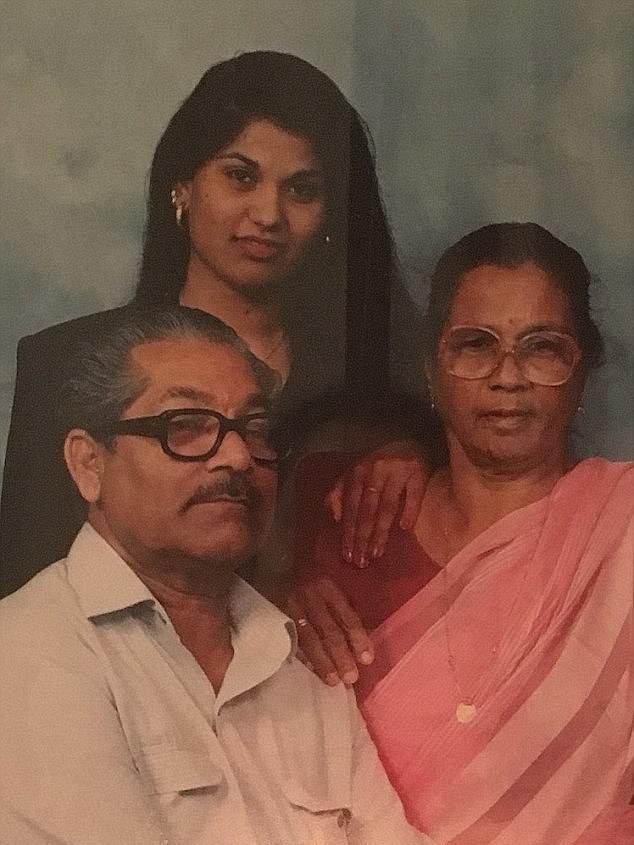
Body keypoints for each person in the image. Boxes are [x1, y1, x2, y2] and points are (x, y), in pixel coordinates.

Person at [0, 50, 430, 598]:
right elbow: (21, 596)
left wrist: (414, 455)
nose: (269, 214)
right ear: (182, 186)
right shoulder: (65, 362)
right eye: (240, 176)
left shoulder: (371, 383)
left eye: (302, 189)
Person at [0, 306, 430, 845]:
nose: (236, 456)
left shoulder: (298, 654)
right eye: (184, 426)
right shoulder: (30, 647)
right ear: (90, 464)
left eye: (253, 429)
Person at [289, 223, 634, 844]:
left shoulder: (623, 528)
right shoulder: (351, 519)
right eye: (475, 345)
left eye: (543, 348)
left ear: (583, 375)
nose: (508, 376)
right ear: (431, 371)